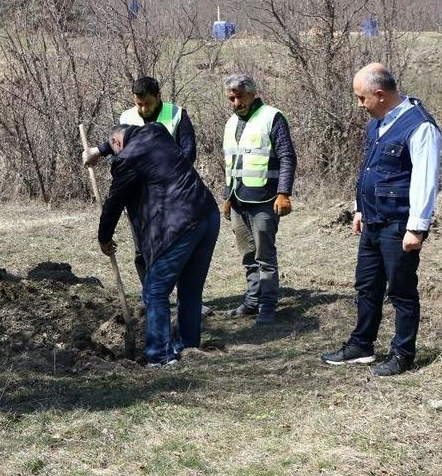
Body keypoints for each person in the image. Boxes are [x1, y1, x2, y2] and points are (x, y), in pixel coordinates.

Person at [320, 63, 442, 376]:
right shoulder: (377, 124)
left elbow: (425, 180)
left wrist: (417, 228)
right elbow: (370, 170)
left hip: (399, 225)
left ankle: (403, 354)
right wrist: (360, 209)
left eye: (362, 98)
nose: (359, 104)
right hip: (372, 220)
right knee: (367, 286)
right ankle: (361, 345)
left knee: (401, 291)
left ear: (380, 94)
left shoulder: (421, 127)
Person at [94, 123, 219, 366]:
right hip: (207, 215)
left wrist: (104, 237)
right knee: (190, 290)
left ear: (118, 143)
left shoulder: (126, 160)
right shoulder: (157, 131)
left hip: (178, 225)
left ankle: (160, 356)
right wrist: (99, 151)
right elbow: (123, 138)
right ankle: (188, 347)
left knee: (155, 290)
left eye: (113, 149)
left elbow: (114, 202)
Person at [83, 76, 196, 283]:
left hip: (171, 197)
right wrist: (97, 151)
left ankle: (185, 296)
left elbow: (189, 154)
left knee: (176, 248)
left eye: (147, 104)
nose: (143, 109)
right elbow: (116, 142)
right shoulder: (127, 116)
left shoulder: (177, 115)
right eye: (139, 104)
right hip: (139, 200)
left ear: (158, 96)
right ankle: (150, 295)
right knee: (143, 251)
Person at [221, 74, 297, 325]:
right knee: (247, 256)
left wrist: (284, 193)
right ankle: (252, 301)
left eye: (240, 97)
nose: (236, 103)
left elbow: (287, 156)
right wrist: (227, 197)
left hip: (265, 199)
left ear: (253, 94)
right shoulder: (231, 123)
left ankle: (267, 305)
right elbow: (231, 164)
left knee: (265, 257)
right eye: (231, 98)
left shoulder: (272, 117)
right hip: (238, 200)